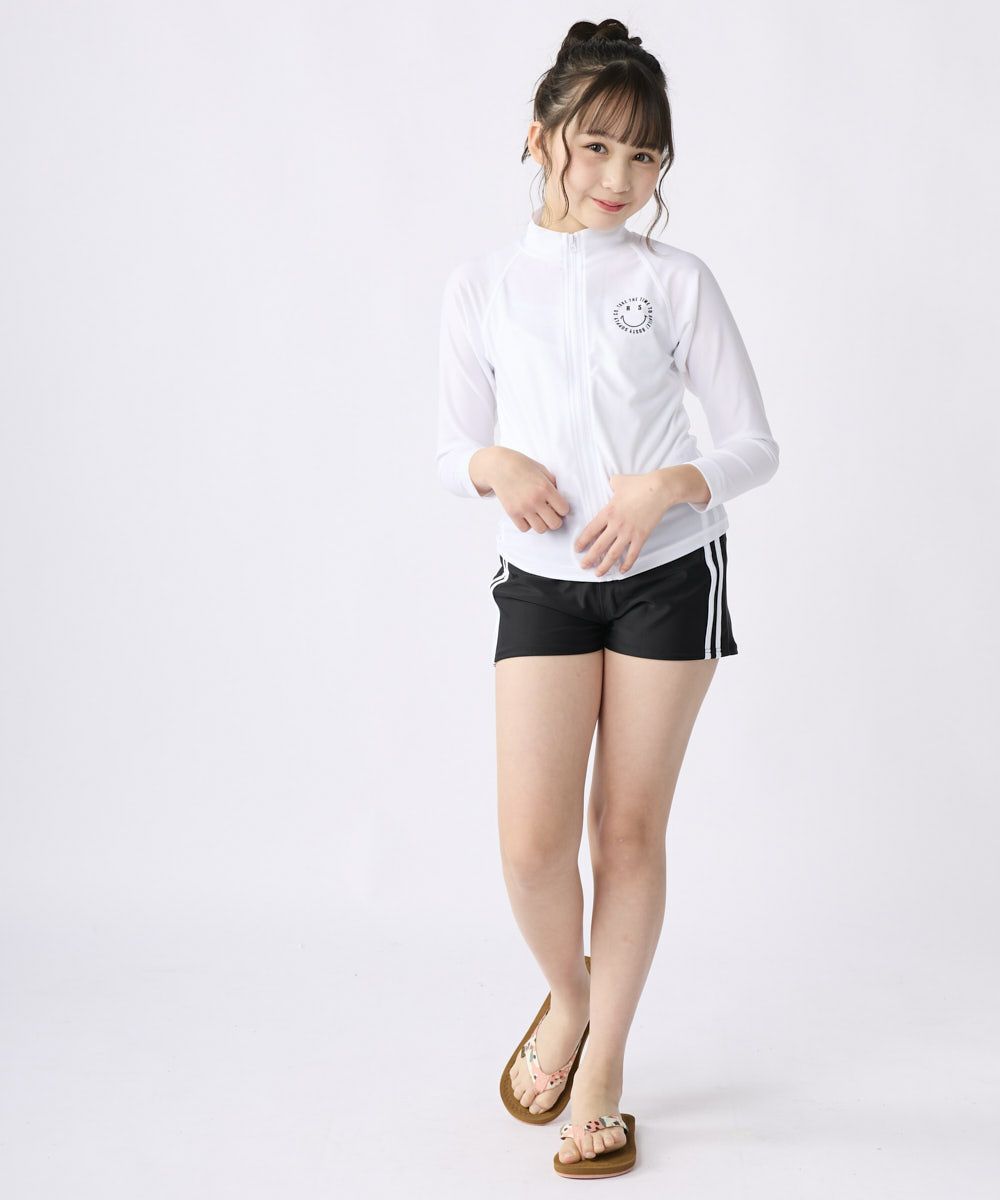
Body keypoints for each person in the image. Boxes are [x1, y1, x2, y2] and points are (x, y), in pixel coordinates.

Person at [436, 17, 779, 1179]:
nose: (619, 178)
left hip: (669, 577)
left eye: (644, 155)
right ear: (541, 140)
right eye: (595, 147)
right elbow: (448, 449)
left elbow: (752, 443)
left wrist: (667, 485)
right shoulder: (484, 286)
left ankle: (603, 1070)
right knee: (533, 848)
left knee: (625, 834)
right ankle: (569, 996)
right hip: (543, 584)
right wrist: (496, 466)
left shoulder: (675, 281)